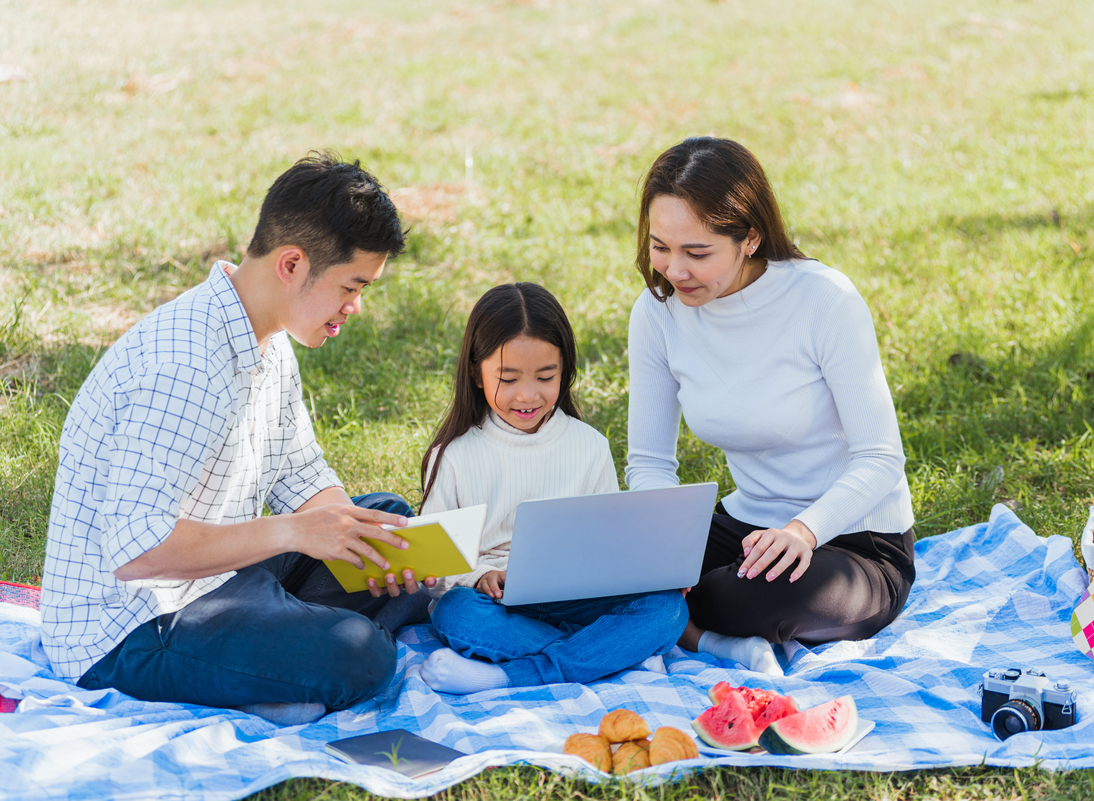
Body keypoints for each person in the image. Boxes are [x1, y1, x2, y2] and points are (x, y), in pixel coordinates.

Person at [41, 153, 436, 725]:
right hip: (130, 625)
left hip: (222, 577)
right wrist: (300, 531)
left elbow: (300, 473)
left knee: (384, 524)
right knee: (362, 653)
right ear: (293, 264)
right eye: (352, 286)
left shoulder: (268, 339)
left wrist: (358, 534)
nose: (356, 307)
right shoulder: (184, 365)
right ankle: (282, 655)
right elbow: (137, 551)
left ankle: (273, 650)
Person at [625, 137, 916, 675]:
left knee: (739, 597)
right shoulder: (657, 312)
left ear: (751, 237)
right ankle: (703, 635)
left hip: (854, 541)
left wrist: (803, 531)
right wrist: (663, 551)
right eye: (661, 246)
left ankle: (680, 623)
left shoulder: (824, 300)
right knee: (609, 573)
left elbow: (880, 459)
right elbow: (649, 463)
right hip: (747, 524)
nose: (674, 269)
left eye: (697, 252)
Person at [416, 283, 689, 694]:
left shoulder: (589, 445)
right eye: (508, 379)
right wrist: (479, 575)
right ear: (476, 372)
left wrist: (647, 569)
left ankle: (511, 674)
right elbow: (433, 573)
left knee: (667, 607)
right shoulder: (453, 454)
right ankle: (610, 657)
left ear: (565, 370)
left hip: (576, 598)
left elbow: (611, 544)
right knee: (456, 614)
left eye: (546, 377)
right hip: (494, 603)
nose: (527, 395)